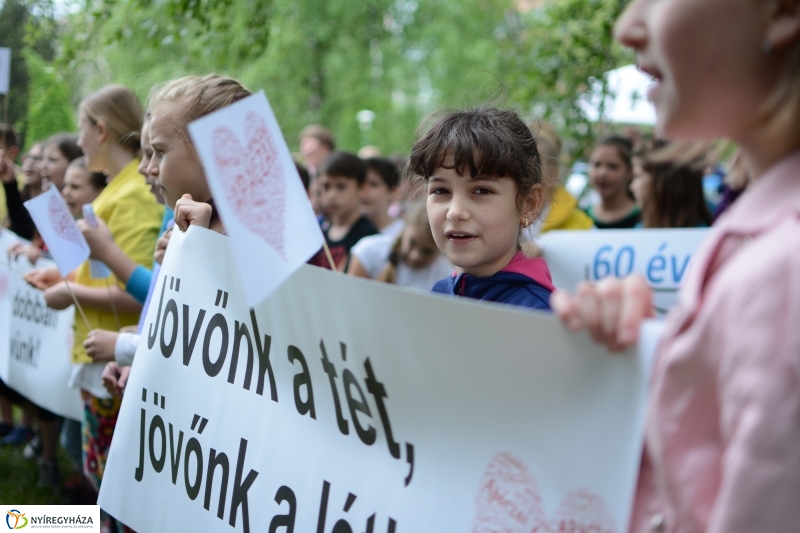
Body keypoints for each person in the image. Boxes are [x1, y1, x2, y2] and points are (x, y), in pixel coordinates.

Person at [552, 0, 800, 531]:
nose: (627, 28)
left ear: (781, 12)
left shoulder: (782, 270)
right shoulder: (758, 240)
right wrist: (651, 351)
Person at [41, 85, 163, 499]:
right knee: (96, 469)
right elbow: (100, 270)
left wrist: (69, 292)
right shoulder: (117, 189)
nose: (77, 140)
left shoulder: (132, 195)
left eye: (80, 128)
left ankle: (37, 525)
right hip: (107, 351)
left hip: (117, 355)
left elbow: (141, 291)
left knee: (110, 483)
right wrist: (65, 281)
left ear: (100, 129)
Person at [409, 107, 555, 310]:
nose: (455, 212)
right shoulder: (439, 294)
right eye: (441, 190)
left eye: (481, 191)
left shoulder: (538, 314)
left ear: (529, 204)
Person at [349, 201, 454, 291]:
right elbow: (349, 298)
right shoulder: (369, 250)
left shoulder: (447, 275)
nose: (415, 256)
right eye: (412, 243)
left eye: (428, 251)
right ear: (405, 227)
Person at [308, 151, 379, 271]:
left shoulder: (368, 237)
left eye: (341, 186)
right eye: (326, 186)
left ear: (362, 188)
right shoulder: (318, 231)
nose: (331, 195)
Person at [631, 140, 713, 228]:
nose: (632, 187)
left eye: (638, 176)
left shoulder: (707, 238)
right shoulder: (639, 231)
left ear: (664, 182)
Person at [584, 135, 641, 229]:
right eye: (597, 165)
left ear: (630, 171)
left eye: (612, 166)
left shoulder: (644, 219)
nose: (602, 173)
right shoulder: (582, 218)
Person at [361, 157, 404, 237]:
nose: (364, 191)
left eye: (373, 184)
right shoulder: (347, 232)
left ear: (393, 192)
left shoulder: (402, 233)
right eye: (361, 185)